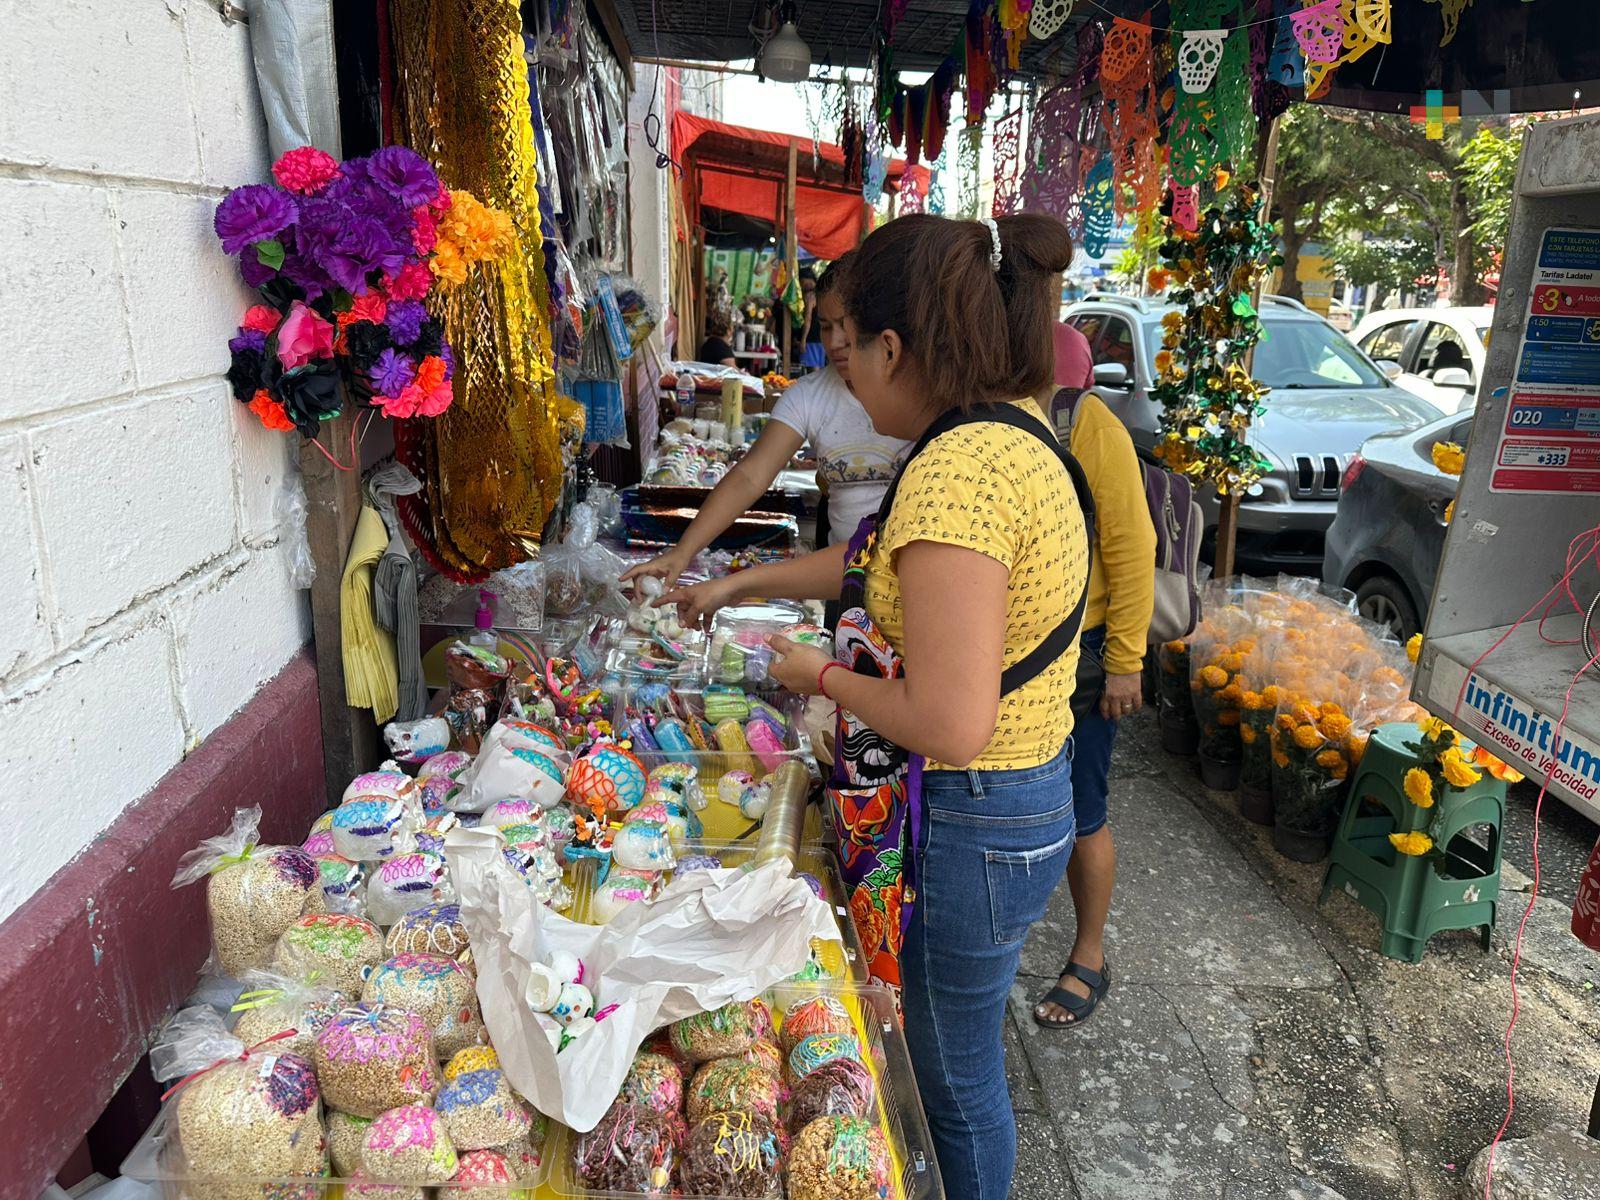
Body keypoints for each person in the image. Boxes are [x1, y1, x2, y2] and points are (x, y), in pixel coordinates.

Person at [660, 213, 1089, 1200]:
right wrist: (734, 584)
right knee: (963, 1063)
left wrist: (821, 677)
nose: (841, 369)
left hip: (977, 811)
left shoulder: (956, 472)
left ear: (896, 347)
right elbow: (874, 570)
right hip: (1019, 799)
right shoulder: (1009, 433)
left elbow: (946, 721)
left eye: (850, 345)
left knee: (955, 1080)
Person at [623, 255, 907, 588]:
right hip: (845, 579)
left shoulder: (917, 398)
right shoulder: (810, 395)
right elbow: (749, 476)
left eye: (845, 324)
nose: (834, 342)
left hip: (906, 578)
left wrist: (731, 587)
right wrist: (683, 552)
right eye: (826, 326)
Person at [1031, 381, 1156, 1028]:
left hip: (1085, 651)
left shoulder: (1085, 423)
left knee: (1084, 807)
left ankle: (1090, 952)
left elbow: (1133, 548)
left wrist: (1125, 663)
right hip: (1017, 651)